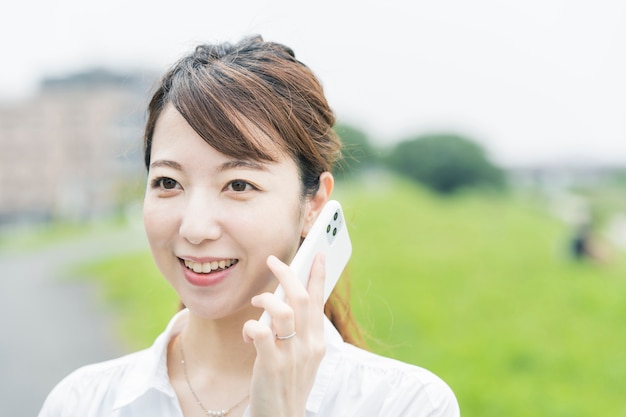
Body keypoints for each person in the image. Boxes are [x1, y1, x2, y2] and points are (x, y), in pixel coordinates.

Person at [38, 35, 459, 417]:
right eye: (168, 182)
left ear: (313, 203)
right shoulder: (82, 403)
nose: (196, 228)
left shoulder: (404, 404)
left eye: (238, 184)